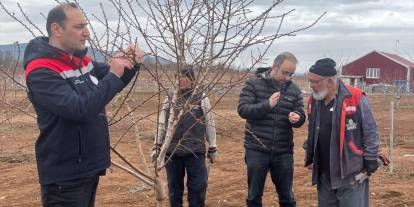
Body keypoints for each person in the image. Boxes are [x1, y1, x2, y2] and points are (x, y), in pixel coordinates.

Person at [23, 3, 143, 206]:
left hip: (87, 169)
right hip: (64, 178)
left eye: (86, 26)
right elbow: (79, 110)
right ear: (56, 29)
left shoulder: (81, 62)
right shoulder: (41, 71)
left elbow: (114, 81)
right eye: (79, 27)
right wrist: (114, 73)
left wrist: (130, 63)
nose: (86, 33)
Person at [304, 58, 380, 207]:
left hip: (351, 173)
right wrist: (310, 153)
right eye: (310, 81)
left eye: (315, 81)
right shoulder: (313, 101)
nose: (311, 86)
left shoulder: (355, 97)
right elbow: (312, 129)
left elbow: (370, 130)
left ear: (330, 82)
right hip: (324, 173)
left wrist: (371, 157)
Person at [237, 52, 306, 207]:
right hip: (257, 148)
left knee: (287, 197)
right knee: (254, 196)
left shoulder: (294, 90)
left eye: (291, 74)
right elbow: (243, 110)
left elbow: (301, 115)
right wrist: (266, 105)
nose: (288, 77)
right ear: (275, 67)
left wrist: (298, 118)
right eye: (285, 73)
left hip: (283, 150)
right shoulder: (253, 84)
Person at [152, 66, 217, 207]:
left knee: (198, 189)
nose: (180, 79)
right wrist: (157, 145)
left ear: (192, 80)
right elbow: (162, 124)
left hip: (195, 152)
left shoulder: (201, 97)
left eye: (184, 76)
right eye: (178, 77)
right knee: (174, 191)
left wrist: (212, 146)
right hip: (172, 153)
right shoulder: (170, 98)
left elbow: (209, 123)